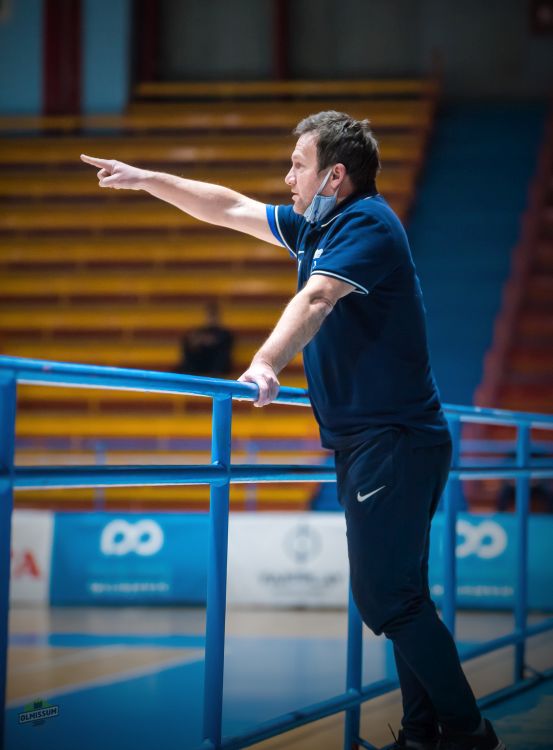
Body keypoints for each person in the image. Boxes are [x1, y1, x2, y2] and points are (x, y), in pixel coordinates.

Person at [80, 111, 505, 750]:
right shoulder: (317, 226)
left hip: (392, 440)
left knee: (388, 600)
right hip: (381, 441)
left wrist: (264, 363)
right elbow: (228, 207)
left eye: (299, 165)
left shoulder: (366, 224)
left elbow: (317, 298)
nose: (288, 177)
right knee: (405, 596)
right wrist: (146, 179)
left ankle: (470, 734)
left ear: (335, 176)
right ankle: (424, 735)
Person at [176, 301, 233, 377]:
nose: (211, 318)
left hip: (216, 369)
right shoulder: (197, 333)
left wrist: (210, 342)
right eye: (209, 315)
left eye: (213, 315)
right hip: (197, 367)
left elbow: (224, 356)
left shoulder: (225, 334)